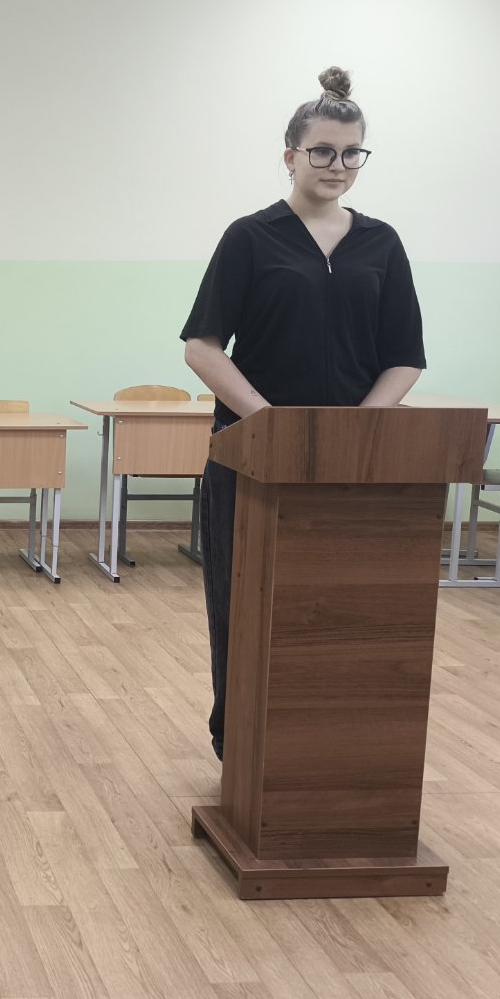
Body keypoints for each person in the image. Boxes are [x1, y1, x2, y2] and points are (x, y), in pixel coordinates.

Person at [180, 68, 426, 761]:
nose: (337, 165)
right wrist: (270, 423)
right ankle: (240, 744)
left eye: (351, 152)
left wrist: (359, 428)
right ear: (290, 156)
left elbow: (404, 357)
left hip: (350, 465)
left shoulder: (381, 243)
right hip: (253, 455)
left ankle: (324, 752)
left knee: (339, 610)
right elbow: (202, 347)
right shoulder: (250, 237)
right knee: (245, 604)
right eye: (322, 151)